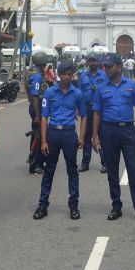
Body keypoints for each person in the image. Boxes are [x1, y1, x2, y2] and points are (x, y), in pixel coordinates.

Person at [92, 53, 135, 223]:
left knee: (133, 171)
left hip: (128, 132)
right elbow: (96, 113)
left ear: (119, 66)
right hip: (108, 132)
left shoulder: (131, 85)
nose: (106, 69)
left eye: (109, 66)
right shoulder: (101, 87)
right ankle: (116, 206)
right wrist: (95, 137)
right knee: (112, 172)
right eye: (105, 66)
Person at [34, 61, 87, 220]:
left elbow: (84, 115)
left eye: (69, 74)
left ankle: (74, 206)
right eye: (64, 74)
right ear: (58, 75)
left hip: (69, 134)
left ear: (72, 75)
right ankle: (43, 205)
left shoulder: (77, 94)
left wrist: (82, 138)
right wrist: (43, 140)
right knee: (49, 170)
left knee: (72, 170)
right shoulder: (50, 93)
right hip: (53, 134)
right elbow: (44, 117)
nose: (67, 77)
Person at [76, 54, 107, 173]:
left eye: (94, 61)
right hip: (87, 108)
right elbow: (79, 92)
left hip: (100, 109)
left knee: (102, 136)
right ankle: (85, 163)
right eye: (90, 61)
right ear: (87, 63)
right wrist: (78, 108)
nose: (92, 63)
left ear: (98, 62)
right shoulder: (83, 75)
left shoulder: (104, 75)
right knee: (86, 136)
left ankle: (105, 163)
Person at [27, 60, 46, 174]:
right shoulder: (37, 76)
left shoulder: (32, 73)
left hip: (36, 108)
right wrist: (38, 115)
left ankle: (38, 162)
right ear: (43, 65)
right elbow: (35, 96)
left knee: (38, 134)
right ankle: (35, 164)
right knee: (37, 136)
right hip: (37, 108)